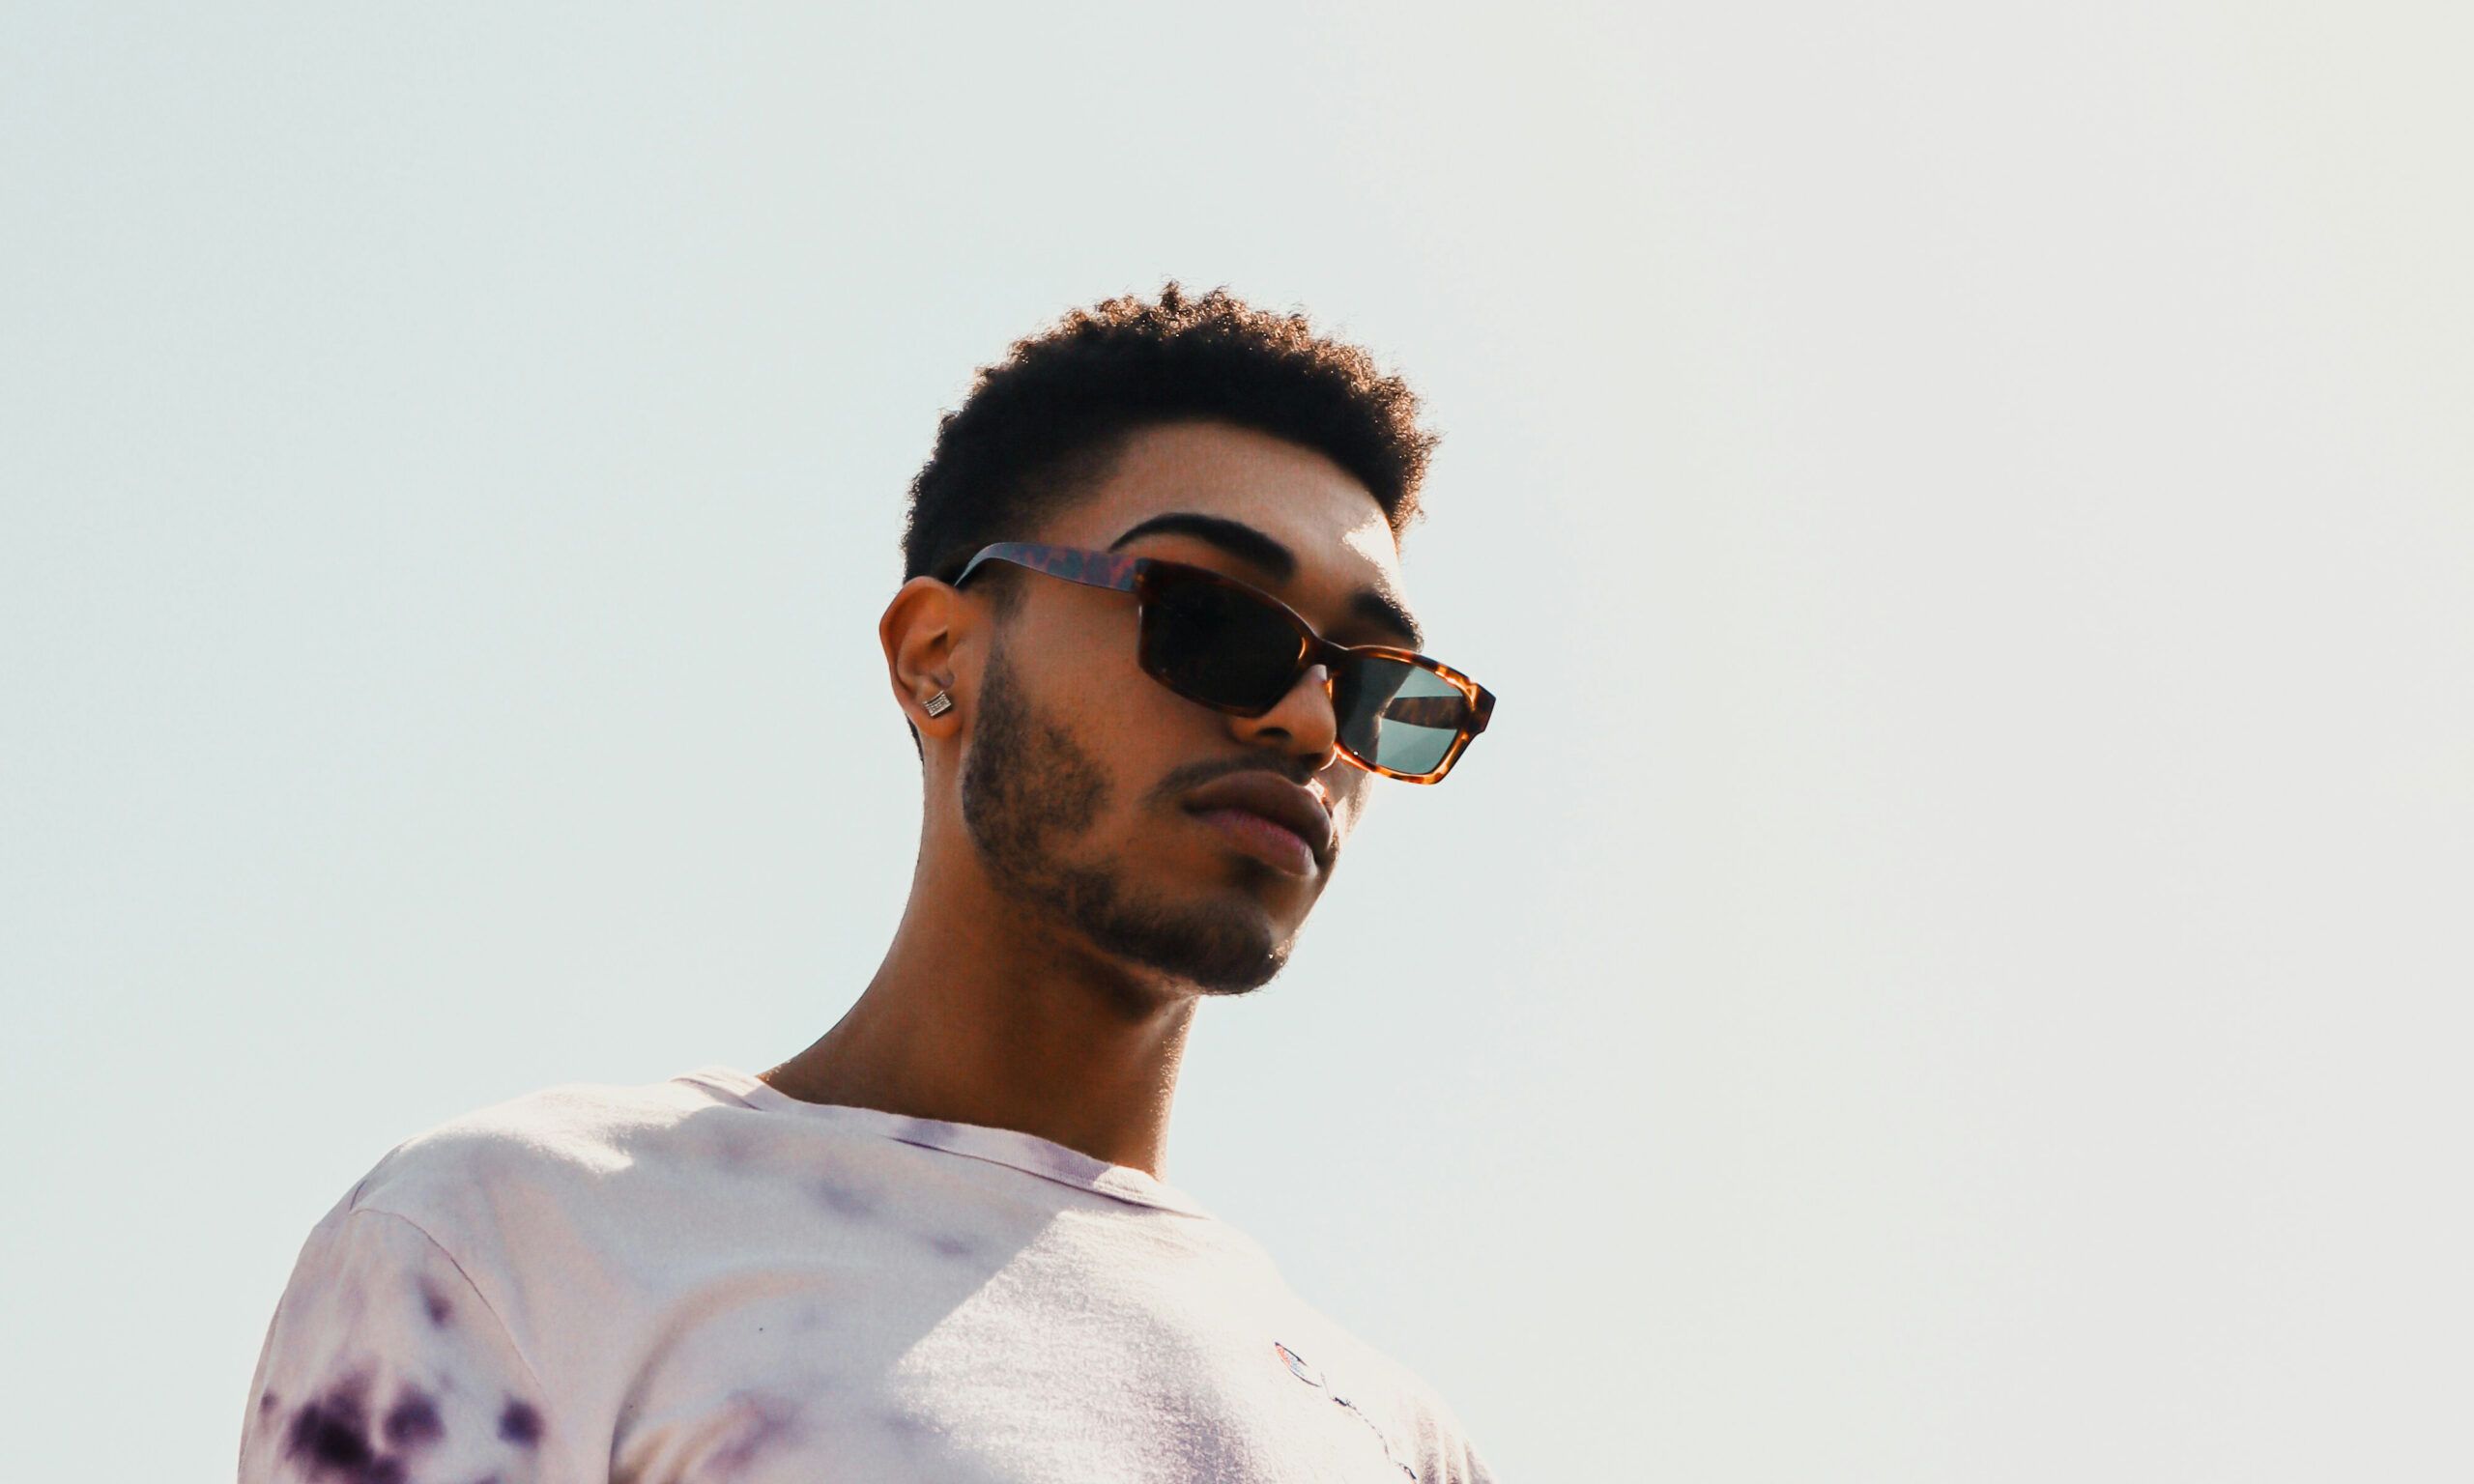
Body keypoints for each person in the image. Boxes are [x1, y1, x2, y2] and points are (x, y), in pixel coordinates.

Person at [238, 283, 1502, 1483]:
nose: (1303, 719)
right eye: (1212, 619)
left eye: (1375, 687)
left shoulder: (1391, 1437)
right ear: (935, 656)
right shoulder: (526, 1239)